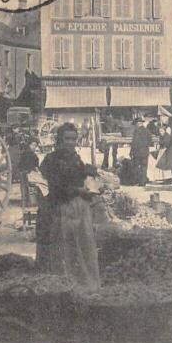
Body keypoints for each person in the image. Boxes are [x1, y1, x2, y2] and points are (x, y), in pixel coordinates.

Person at [36, 123, 100, 289]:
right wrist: (80, 191)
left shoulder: (75, 158)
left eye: (73, 139)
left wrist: (88, 170)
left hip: (79, 209)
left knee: (84, 247)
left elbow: (77, 174)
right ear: (59, 140)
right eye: (67, 139)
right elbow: (57, 187)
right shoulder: (51, 160)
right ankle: (66, 286)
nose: (70, 142)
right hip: (61, 209)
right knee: (65, 250)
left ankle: (84, 284)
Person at [130, 117, 152, 186]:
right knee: (144, 167)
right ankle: (143, 181)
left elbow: (134, 142)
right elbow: (150, 141)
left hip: (137, 152)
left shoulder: (136, 131)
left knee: (136, 167)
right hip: (145, 152)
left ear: (138, 124)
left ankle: (139, 181)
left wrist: (131, 151)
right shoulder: (147, 130)